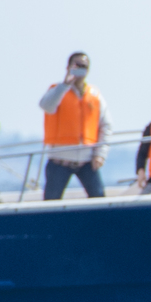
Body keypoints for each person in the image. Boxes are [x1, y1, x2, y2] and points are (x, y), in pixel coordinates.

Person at [38, 52, 111, 200]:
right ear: (68, 67)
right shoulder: (56, 90)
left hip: (87, 160)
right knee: (51, 201)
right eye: (76, 65)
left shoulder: (95, 94)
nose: (80, 69)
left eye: (84, 66)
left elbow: (106, 126)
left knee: (99, 198)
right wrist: (65, 85)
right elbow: (46, 106)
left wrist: (100, 154)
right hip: (59, 160)